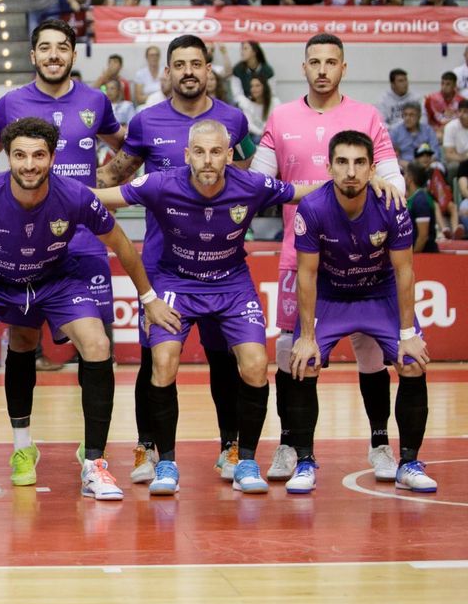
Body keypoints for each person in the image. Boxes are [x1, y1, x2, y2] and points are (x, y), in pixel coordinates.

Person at [0, 117, 173, 503]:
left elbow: (122, 245)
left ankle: (95, 464)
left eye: (37, 155)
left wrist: (150, 300)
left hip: (56, 279)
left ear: (52, 157)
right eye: (19, 156)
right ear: (8, 160)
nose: (28, 164)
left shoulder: (77, 196)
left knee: (98, 345)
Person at [97, 120, 360, 495]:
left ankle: (246, 461)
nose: (207, 160)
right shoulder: (160, 183)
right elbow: (105, 196)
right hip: (177, 283)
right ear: (187, 155)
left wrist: (358, 182)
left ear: (230, 156)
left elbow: (300, 191)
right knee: (163, 362)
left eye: (216, 152)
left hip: (232, 284)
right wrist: (51, 188)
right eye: (200, 152)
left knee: (254, 365)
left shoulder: (251, 185)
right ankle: (167, 463)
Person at [97, 34, 254, 484]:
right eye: (179, 64)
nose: (188, 71)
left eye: (196, 63)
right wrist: (65, 188)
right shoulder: (146, 122)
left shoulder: (234, 121)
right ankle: (148, 449)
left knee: (225, 361)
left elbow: (245, 179)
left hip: (223, 266)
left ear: (209, 70)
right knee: (155, 362)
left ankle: (231, 446)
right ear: (166, 72)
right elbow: (115, 175)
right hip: (165, 267)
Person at [251, 33, 405, 484]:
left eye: (331, 62)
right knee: (290, 351)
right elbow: (257, 185)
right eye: (314, 61)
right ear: (303, 68)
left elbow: (392, 180)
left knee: (370, 351)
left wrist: (384, 182)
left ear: (343, 67)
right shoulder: (280, 118)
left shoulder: (367, 117)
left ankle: (380, 444)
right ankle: (289, 444)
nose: (322, 69)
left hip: (364, 260)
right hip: (297, 258)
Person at [0, 19, 126, 484]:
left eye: (62, 48)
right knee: (23, 342)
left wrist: (108, 181)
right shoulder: (10, 104)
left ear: (72, 54)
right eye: (45, 48)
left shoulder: (95, 101)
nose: (53, 55)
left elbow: (122, 148)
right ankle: (23, 448)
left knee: (97, 346)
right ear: (33, 56)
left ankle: (94, 455)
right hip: (26, 246)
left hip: (84, 245)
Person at [289, 131, 437, 493]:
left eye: (359, 163)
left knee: (412, 362)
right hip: (330, 294)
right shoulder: (313, 208)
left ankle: (409, 463)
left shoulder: (392, 206)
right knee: (303, 363)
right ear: (329, 167)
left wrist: (407, 334)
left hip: (379, 292)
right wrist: (307, 338)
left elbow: (405, 271)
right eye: (342, 162)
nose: (350, 171)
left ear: (372, 169)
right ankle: (305, 461)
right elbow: (306, 274)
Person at [404, 161, 439, 254]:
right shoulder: (412, 198)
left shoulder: (421, 200)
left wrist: (413, 256)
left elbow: (423, 236)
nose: (403, 178)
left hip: (425, 257)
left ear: (409, 178)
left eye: (405, 174)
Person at [231, 76, 279, 143]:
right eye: (252, 86)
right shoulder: (247, 104)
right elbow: (249, 125)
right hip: (256, 136)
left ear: (265, 87)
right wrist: (261, 133)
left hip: (272, 134)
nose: (254, 89)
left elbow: (278, 121)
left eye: (257, 86)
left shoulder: (274, 102)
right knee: (257, 139)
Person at [423, 71, 464, 140]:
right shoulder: (430, 99)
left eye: (448, 84)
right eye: (442, 83)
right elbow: (426, 119)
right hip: (436, 131)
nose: (444, 87)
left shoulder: (462, 101)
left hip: (456, 132)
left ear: (454, 85)